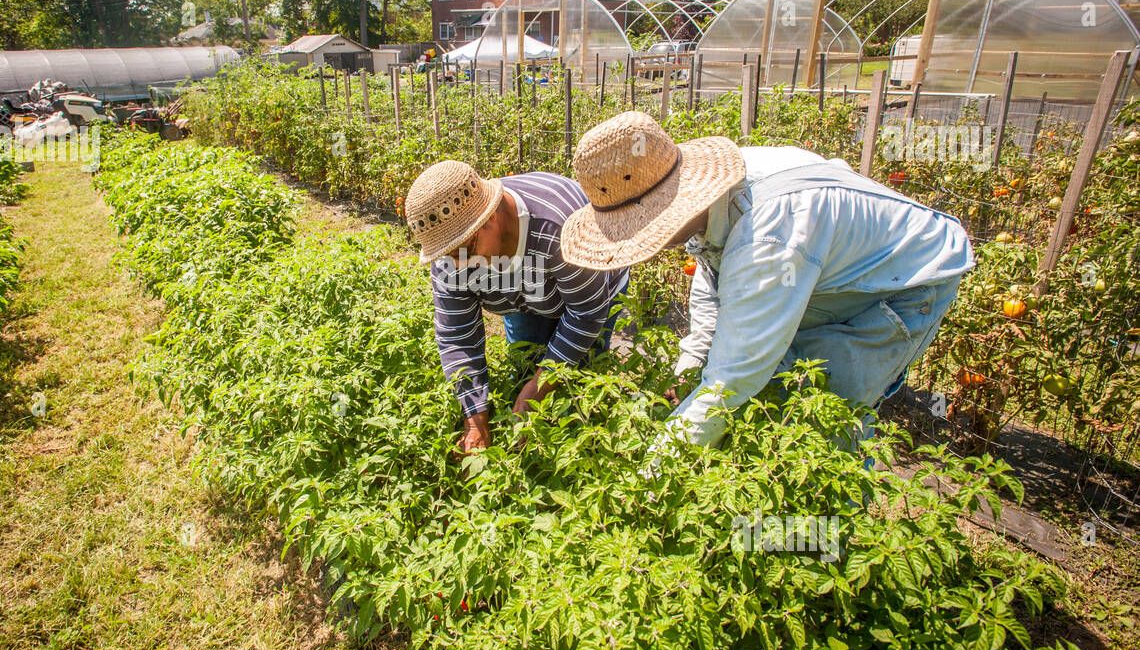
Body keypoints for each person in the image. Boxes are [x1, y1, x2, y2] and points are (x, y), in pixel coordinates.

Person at [558, 111, 974, 450]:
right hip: (821, 271)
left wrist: (659, 467)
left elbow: (733, 377)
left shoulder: (766, 234)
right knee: (768, 391)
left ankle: (835, 532)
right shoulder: (714, 202)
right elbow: (712, 275)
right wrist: (690, 366)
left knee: (827, 414)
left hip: (900, 285)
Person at [405, 160, 630, 453]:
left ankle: (590, 451)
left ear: (492, 215)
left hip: (593, 283)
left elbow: (586, 314)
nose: (461, 265)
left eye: (468, 248)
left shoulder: (561, 228)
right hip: (527, 292)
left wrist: (536, 391)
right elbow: (457, 334)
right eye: (449, 255)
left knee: (581, 380)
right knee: (526, 371)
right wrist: (475, 419)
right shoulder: (452, 253)